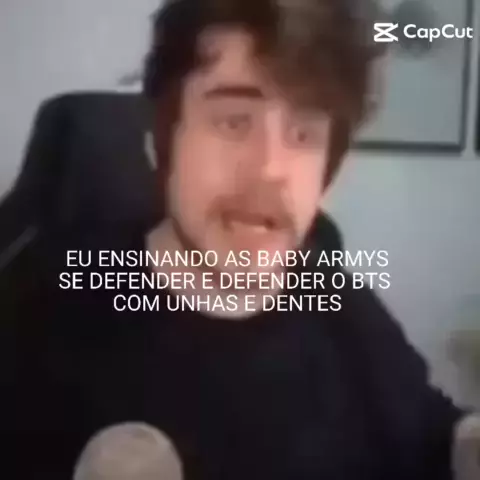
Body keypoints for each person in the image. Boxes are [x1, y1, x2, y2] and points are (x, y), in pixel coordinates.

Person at [5, 0, 466, 479]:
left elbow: (430, 431)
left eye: (303, 133)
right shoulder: (43, 316)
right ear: (159, 141)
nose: (270, 168)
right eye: (233, 122)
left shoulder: (338, 299)